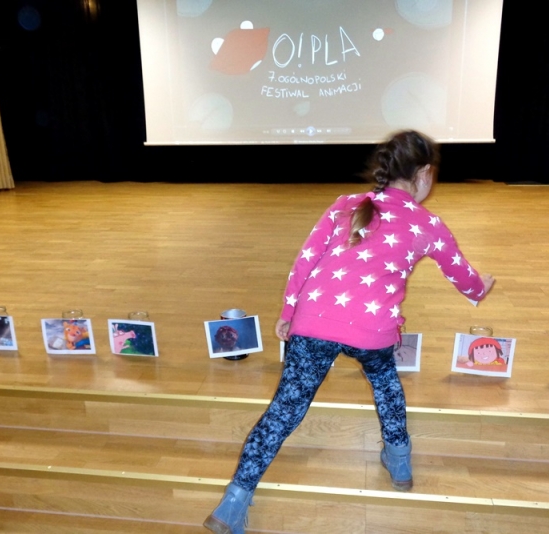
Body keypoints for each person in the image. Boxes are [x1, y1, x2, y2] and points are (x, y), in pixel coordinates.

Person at [204, 130, 495, 534]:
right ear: (424, 173)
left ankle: (233, 502)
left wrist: (289, 311)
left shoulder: (345, 204)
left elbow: (306, 259)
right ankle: (399, 460)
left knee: (284, 410)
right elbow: (460, 272)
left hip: (313, 321)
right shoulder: (427, 223)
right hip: (373, 330)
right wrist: (481, 288)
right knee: (385, 380)